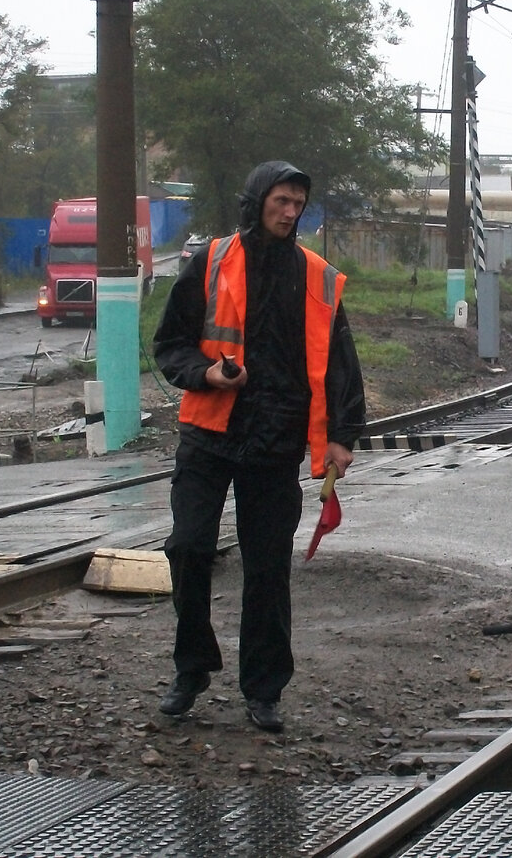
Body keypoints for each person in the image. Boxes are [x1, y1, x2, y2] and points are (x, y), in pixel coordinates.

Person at [153, 160, 366, 732]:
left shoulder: (318, 277)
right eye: (281, 201)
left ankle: (263, 688)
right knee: (189, 548)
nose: (290, 212)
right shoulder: (212, 261)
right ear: (257, 202)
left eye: (298, 203)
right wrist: (206, 375)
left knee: (268, 569)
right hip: (209, 435)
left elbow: (342, 364)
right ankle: (192, 668)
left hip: (276, 443)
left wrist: (343, 437)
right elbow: (170, 346)